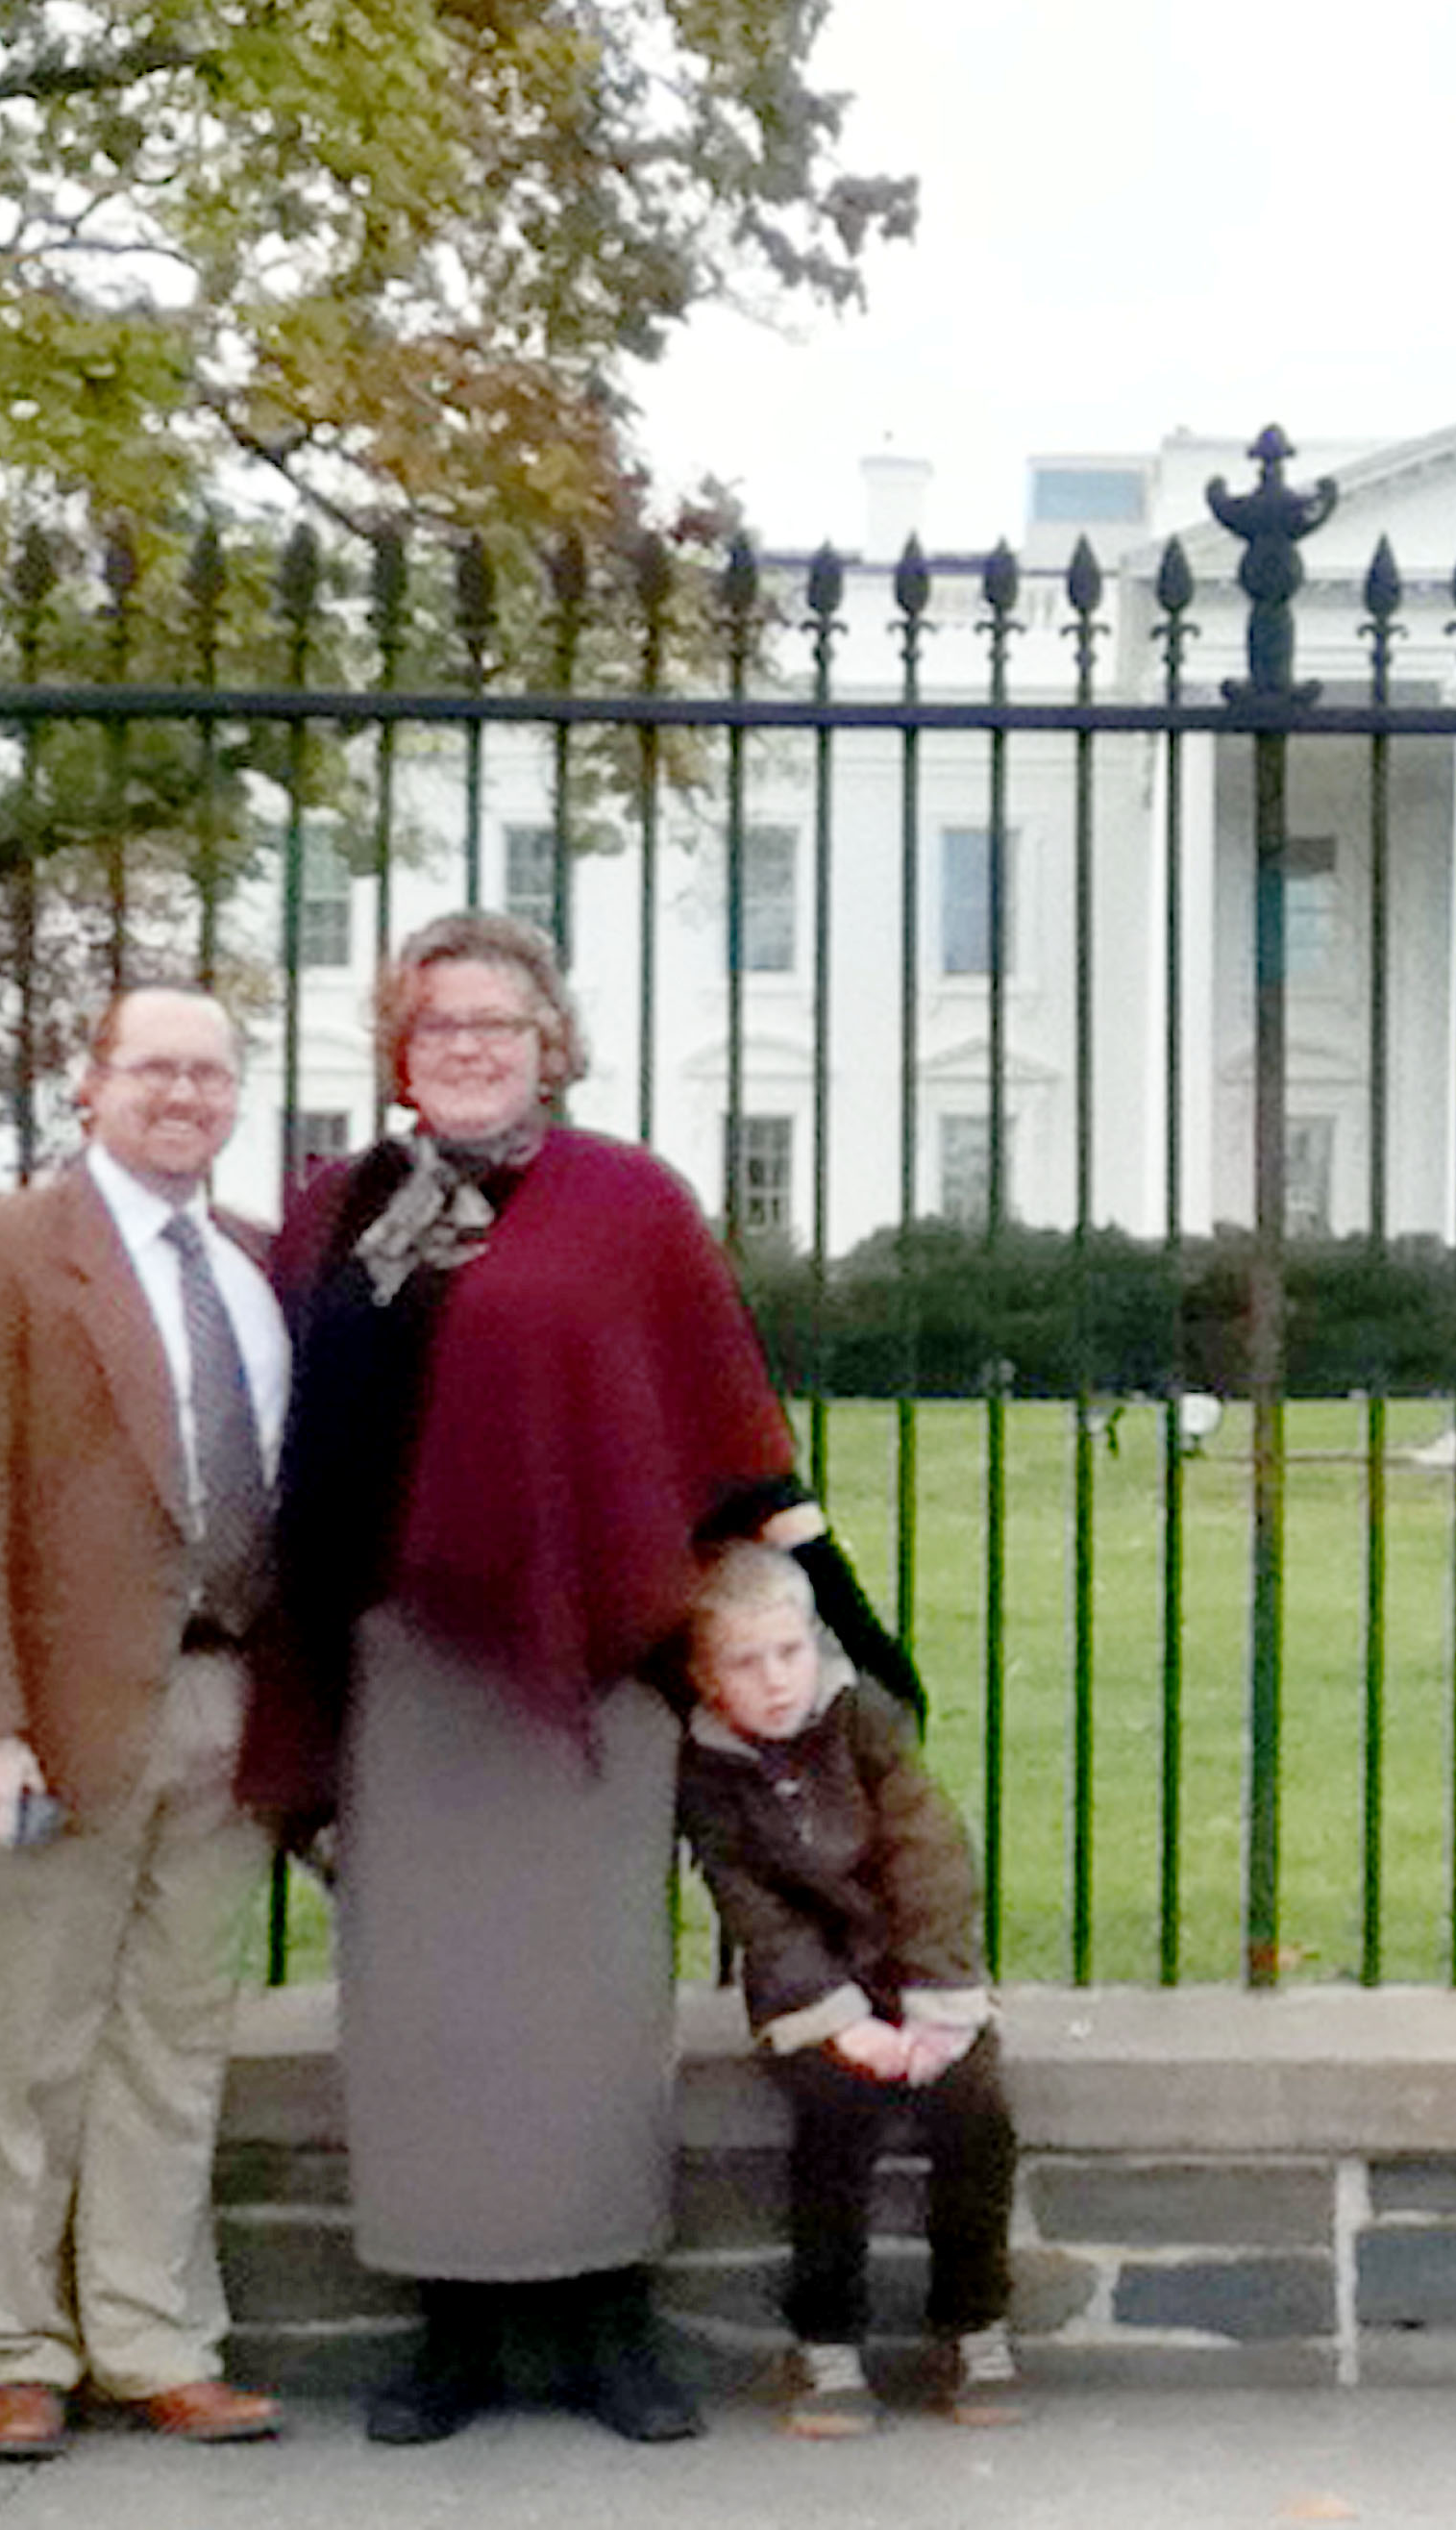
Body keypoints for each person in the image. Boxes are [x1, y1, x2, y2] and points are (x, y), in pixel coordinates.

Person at [242, 908, 923, 2450]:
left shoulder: (627, 1204)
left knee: (591, 2007)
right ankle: (451, 2325)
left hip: (589, 1670)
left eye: (496, 1020)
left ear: (551, 1037)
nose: (468, 1045)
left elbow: (728, 1427)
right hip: (404, 1666)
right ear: (398, 1050)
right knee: (423, 2013)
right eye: (436, 1024)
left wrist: (841, 1616)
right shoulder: (335, 1210)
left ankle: (610, 2319)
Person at [0, 985, 288, 2462]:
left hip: (229, 1702)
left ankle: (152, 2334)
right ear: (91, 1086)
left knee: (175, 2042)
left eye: (212, 1072)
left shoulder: (254, 1265)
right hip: (47, 1721)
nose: (185, 1094)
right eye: (156, 1068)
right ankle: (13, 2346)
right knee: (18, 2045)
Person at [674, 1542, 1020, 2436]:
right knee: (836, 2112)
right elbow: (758, 1916)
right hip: (810, 1988)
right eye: (746, 1665)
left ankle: (972, 2324)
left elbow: (931, 1856)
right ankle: (826, 2343)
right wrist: (843, 2024)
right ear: (708, 1681)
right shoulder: (708, 1775)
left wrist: (941, 2005)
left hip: (915, 1968)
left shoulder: (863, 1720)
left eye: (788, 1654)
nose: (776, 1681)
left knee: (974, 2105)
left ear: (814, 1646)